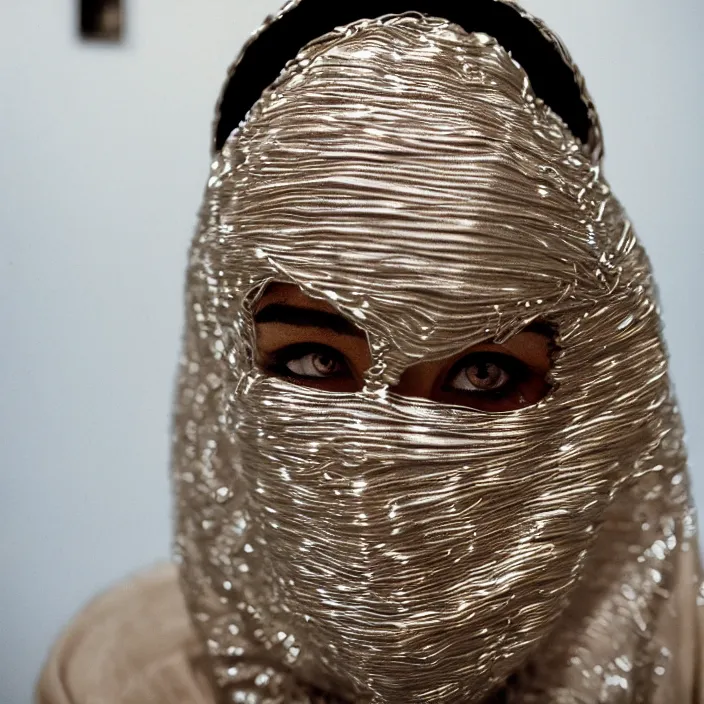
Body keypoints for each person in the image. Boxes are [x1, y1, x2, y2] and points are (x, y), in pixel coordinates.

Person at [37, 1, 704, 702]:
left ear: (588, 395)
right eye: (315, 362)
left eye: (483, 373)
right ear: (224, 365)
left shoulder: (681, 656)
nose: (386, 457)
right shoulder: (111, 678)